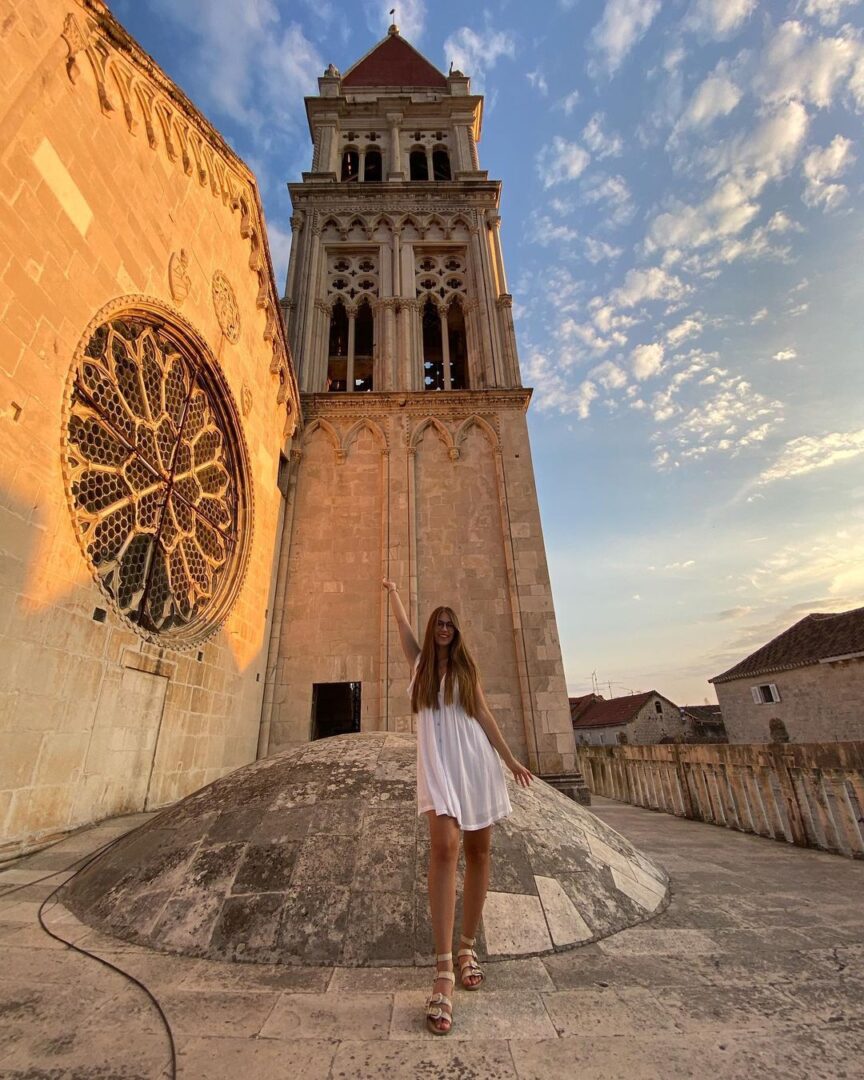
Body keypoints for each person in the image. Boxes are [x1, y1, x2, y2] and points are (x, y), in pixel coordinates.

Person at [383, 580, 532, 1035]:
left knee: (480, 853)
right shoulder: (421, 666)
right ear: (432, 630)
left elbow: (484, 716)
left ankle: (468, 946)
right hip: (439, 769)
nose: (444, 628)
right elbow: (404, 629)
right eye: (439, 623)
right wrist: (393, 593)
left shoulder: (467, 672)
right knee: (445, 848)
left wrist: (509, 759)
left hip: (476, 765)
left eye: (450, 623)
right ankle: (444, 969)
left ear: (457, 630)